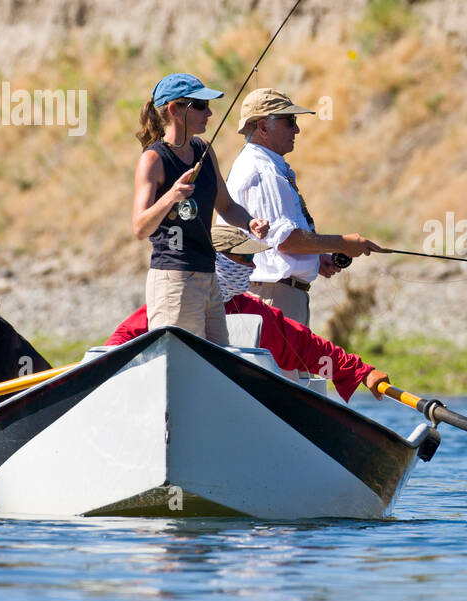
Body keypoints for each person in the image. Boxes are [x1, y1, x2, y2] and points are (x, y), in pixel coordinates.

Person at [106, 226, 390, 403]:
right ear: (215, 258)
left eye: (254, 258)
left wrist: (361, 372)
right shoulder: (173, 299)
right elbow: (117, 345)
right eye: (245, 258)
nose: (253, 267)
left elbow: (306, 347)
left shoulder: (251, 310)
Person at [225, 87, 383, 326]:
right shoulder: (262, 170)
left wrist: (316, 257)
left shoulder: (267, 165)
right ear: (263, 127)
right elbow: (286, 241)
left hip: (277, 295)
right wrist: (343, 242)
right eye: (289, 121)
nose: (297, 129)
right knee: (278, 365)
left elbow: (275, 240)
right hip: (273, 297)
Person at [132, 73, 269, 344]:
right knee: (183, 362)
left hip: (209, 277)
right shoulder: (153, 159)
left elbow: (227, 206)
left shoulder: (204, 149)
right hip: (173, 280)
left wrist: (250, 222)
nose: (209, 113)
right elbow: (139, 227)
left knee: (219, 367)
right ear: (175, 110)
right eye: (200, 106)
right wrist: (171, 196)